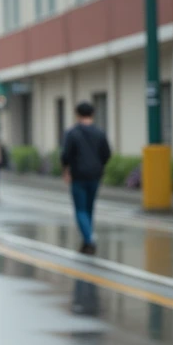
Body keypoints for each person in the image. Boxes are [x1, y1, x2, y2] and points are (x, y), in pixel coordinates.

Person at [61, 101, 111, 255]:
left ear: (77, 114)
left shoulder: (73, 133)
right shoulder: (100, 132)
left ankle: (89, 240)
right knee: (89, 208)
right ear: (92, 114)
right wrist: (99, 166)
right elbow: (107, 153)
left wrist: (66, 170)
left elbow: (66, 155)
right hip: (95, 175)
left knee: (80, 209)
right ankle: (86, 240)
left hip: (78, 174)